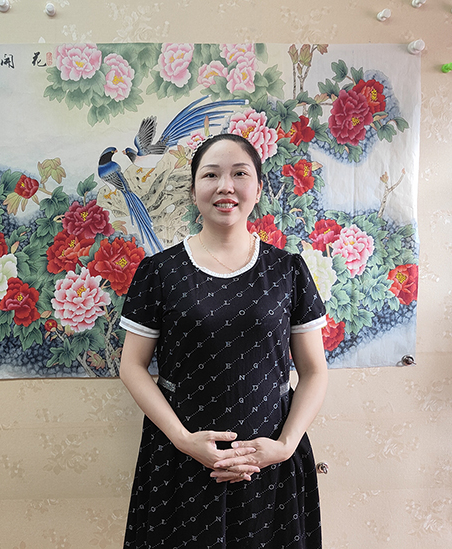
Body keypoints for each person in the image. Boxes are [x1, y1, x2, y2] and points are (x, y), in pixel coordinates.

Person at [118, 133, 328, 548]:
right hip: (181, 459)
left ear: (258, 189)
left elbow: (314, 370)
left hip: (269, 458)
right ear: (194, 189)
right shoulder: (159, 272)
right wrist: (183, 440)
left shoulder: (288, 270)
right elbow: (132, 366)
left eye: (239, 174)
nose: (225, 186)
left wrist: (284, 446)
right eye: (211, 175)